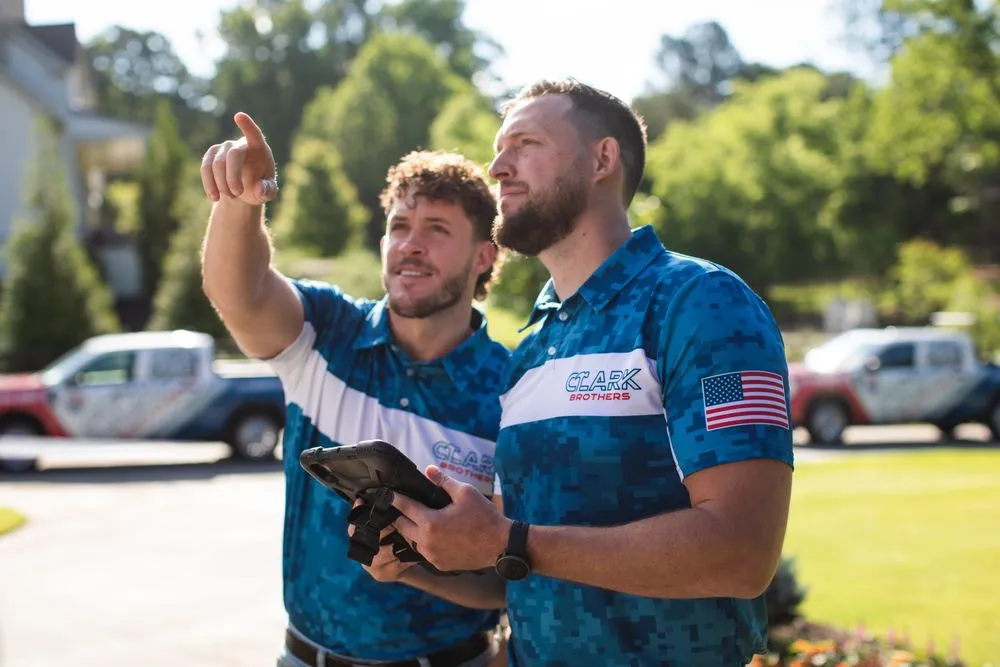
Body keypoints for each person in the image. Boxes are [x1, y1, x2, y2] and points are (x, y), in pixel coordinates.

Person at [363, 79, 795, 667]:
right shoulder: (531, 351)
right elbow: (519, 571)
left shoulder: (703, 303)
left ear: (603, 159)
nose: (497, 166)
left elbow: (742, 554)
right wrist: (421, 557)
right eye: (498, 149)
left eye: (525, 143)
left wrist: (510, 541)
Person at [199, 111, 511, 667]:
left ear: (483, 256)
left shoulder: (514, 392)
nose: (410, 246)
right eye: (399, 227)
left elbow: (508, 582)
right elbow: (238, 294)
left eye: (437, 230)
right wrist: (241, 203)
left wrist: (417, 568)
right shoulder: (328, 330)